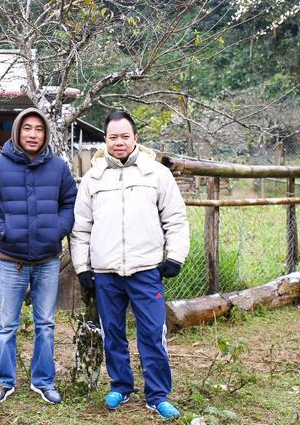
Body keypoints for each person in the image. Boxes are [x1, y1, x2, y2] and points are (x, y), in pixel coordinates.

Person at [70, 110, 189, 420]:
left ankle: (157, 394)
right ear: (105, 140)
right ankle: (121, 386)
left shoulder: (156, 174)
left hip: (146, 269)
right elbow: (81, 228)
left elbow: (176, 219)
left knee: (152, 332)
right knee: (112, 332)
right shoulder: (93, 178)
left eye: (125, 136)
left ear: (135, 137)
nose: (119, 142)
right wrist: (82, 267)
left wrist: (175, 256)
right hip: (106, 272)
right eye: (113, 137)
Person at [0, 107, 77, 404]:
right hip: (11, 261)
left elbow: (70, 203)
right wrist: (3, 230)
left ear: (46, 134)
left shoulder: (58, 168)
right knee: (7, 325)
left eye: (39, 129)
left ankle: (43, 381)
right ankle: (3, 381)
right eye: (27, 128)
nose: (33, 134)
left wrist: (57, 229)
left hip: (47, 260)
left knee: (46, 324)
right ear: (17, 131)